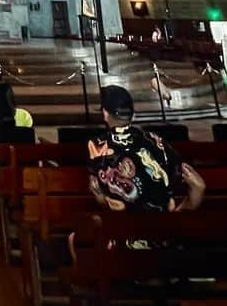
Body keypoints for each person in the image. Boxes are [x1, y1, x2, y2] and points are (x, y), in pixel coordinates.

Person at [87, 85, 205, 215]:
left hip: (121, 229)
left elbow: (99, 196)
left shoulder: (97, 145)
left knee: (74, 235)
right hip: (161, 228)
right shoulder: (154, 139)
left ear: (105, 113)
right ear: (132, 113)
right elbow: (193, 182)